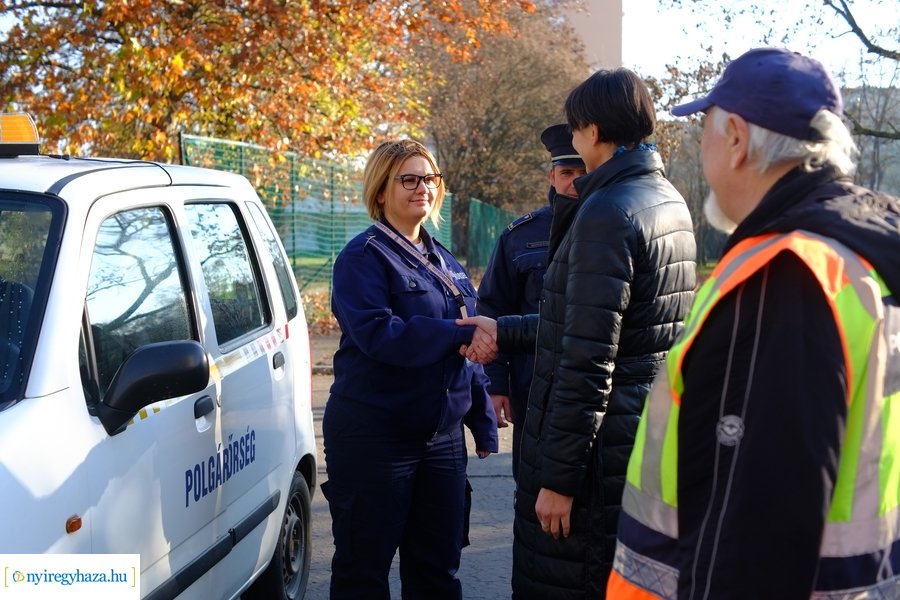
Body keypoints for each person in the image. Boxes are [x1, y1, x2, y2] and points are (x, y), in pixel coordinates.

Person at [607, 47, 900, 600]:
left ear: (737, 138)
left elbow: (748, 546)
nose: (702, 148)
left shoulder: (785, 277)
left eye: (706, 132)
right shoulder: (867, 258)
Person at [461, 68, 697, 599]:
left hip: (593, 459)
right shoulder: (667, 200)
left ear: (592, 129)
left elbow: (588, 360)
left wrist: (559, 481)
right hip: (636, 436)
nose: (572, 140)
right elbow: (603, 324)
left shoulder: (608, 212)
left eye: (574, 128)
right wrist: (508, 330)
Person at [322, 138, 499, 600]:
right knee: (363, 573)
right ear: (381, 190)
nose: (423, 187)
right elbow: (381, 335)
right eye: (409, 179)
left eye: (430, 178)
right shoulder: (362, 259)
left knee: (437, 572)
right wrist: (460, 333)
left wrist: (480, 418)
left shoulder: (446, 262)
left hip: (440, 443)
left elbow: (466, 351)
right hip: (374, 439)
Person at [476, 123, 586, 481]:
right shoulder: (520, 236)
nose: (575, 182)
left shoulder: (614, 226)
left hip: (594, 384)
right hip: (531, 386)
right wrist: (496, 384)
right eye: (567, 172)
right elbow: (493, 308)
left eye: (584, 172)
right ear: (551, 176)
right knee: (531, 487)